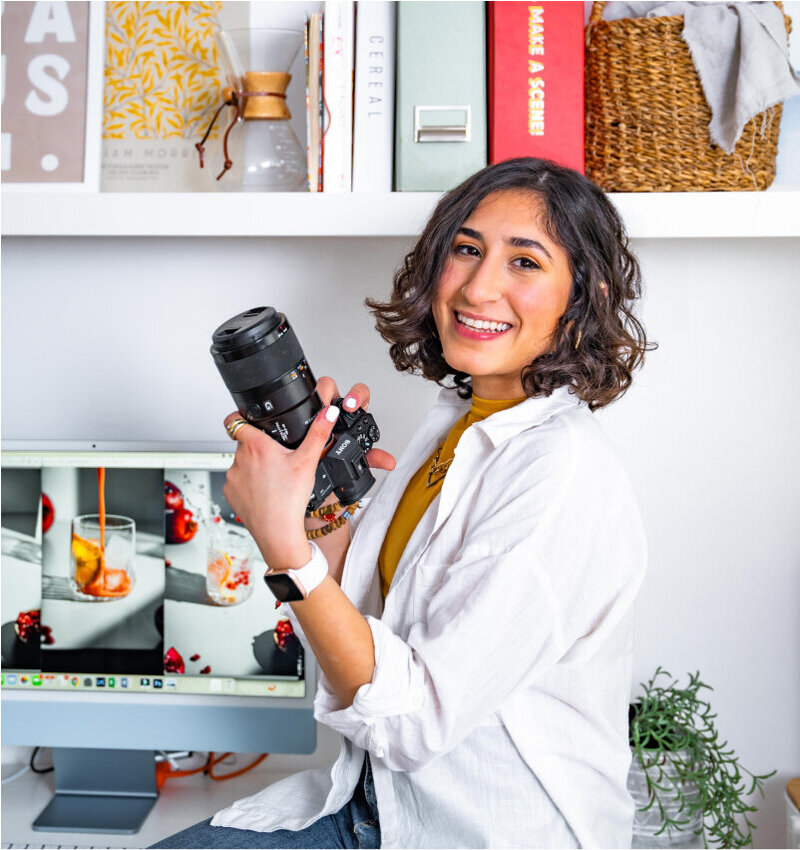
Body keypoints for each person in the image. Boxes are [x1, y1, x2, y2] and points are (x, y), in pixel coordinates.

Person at [152, 157, 652, 849]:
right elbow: (361, 632)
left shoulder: (557, 473)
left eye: (525, 263)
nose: (479, 287)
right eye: (467, 250)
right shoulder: (460, 417)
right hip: (368, 800)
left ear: (583, 296)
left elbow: (413, 724)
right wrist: (316, 507)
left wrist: (280, 544)